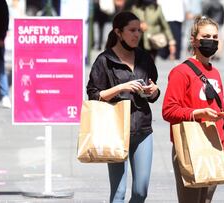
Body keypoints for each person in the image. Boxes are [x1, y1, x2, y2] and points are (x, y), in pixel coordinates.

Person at [87, 11, 160, 203]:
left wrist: (154, 91)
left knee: (140, 192)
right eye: (132, 30)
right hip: (116, 130)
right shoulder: (104, 60)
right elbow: (93, 94)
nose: (137, 35)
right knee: (118, 193)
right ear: (118, 32)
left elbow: (153, 91)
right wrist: (121, 87)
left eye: (139, 30)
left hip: (143, 129)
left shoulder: (144, 58)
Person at [162, 16, 224, 203]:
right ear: (193, 40)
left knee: (205, 200)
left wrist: (223, 144)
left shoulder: (215, 72)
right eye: (206, 36)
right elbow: (168, 110)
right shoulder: (181, 72)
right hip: (189, 145)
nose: (212, 41)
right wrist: (197, 113)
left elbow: (219, 109)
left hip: (213, 145)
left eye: (215, 37)